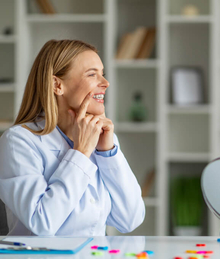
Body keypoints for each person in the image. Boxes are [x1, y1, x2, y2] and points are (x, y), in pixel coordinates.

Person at [0, 39, 145, 236]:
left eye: (102, 74)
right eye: (92, 74)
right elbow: (42, 223)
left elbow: (131, 220)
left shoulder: (101, 140)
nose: (105, 83)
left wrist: (108, 154)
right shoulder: (18, 141)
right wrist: (81, 153)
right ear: (57, 85)